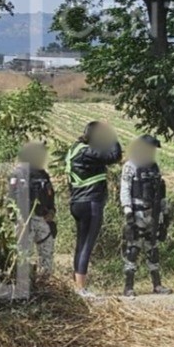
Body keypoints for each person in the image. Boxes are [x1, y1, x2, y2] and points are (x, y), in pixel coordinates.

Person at [66, 121, 122, 296]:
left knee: (81, 244)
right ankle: (81, 288)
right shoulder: (86, 152)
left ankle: (78, 287)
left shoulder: (75, 149)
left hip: (78, 202)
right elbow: (114, 156)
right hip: (90, 202)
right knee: (86, 246)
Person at [120, 135, 171, 297]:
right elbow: (125, 189)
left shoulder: (154, 167)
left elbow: (161, 192)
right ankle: (128, 287)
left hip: (153, 213)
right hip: (137, 212)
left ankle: (157, 285)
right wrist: (128, 213)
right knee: (133, 248)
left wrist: (165, 215)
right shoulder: (130, 166)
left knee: (153, 248)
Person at [10, 141, 57, 280]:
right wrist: (17, 218)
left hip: (42, 218)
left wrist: (51, 211)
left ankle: (44, 283)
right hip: (24, 220)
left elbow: (50, 195)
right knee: (24, 254)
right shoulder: (18, 173)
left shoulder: (43, 175)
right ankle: (25, 282)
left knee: (47, 253)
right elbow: (11, 198)